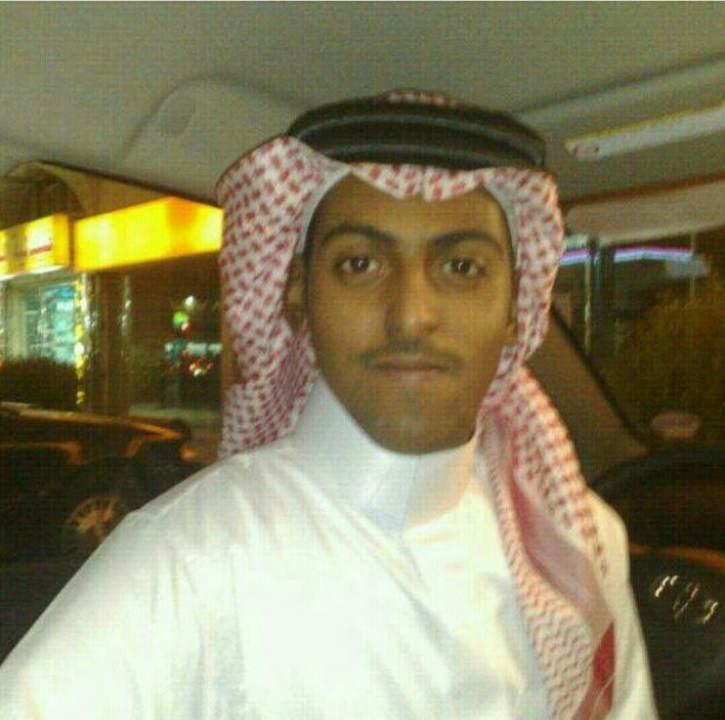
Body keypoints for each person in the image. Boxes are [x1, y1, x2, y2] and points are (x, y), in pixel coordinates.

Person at [0, 90, 657, 719]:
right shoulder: (191, 557)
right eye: (359, 264)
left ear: (517, 306)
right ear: (297, 295)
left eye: (461, 268)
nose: (411, 316)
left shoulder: (579, 540)